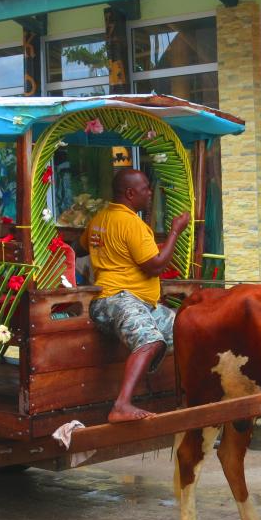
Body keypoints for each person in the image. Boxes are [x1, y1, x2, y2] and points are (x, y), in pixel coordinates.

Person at [80, 168, 190, 423]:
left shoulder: (100, 219)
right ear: (130, 193)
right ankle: (121, 405)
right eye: (145, 189)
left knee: (187, 332)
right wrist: (175, 231)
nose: (150, 193)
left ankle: (188, 400)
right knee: (150, 340)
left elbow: (83, 246)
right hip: (116, 298)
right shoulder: (132, 223)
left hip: (134, 302)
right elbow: (155, 265)